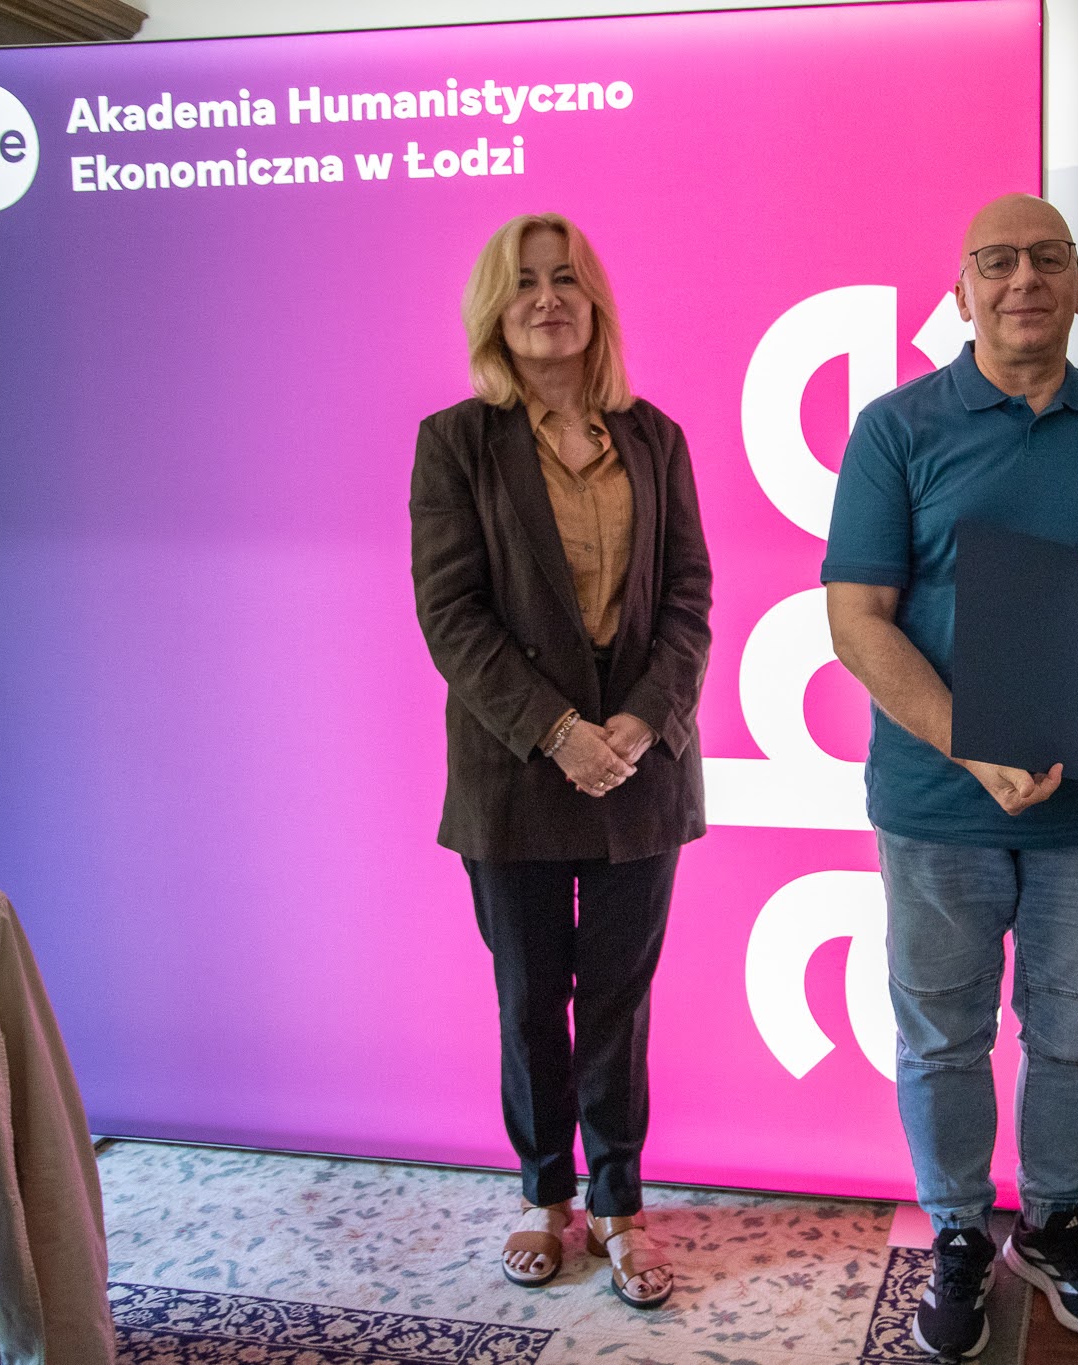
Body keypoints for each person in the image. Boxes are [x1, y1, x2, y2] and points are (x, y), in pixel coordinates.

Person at [823, 192, 1078, 1358]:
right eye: (996, 261)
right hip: (937, 802)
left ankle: (1052, 1222)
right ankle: (955, 1231)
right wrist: (965, 739)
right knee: (942, 1034)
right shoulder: (894, 428)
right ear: (962, 292)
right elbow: (856, 619)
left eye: (1046, 259)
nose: (1022, 278)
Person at [410, 212, 713, 1305]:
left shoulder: (654, 438)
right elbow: (451, 614)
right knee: (531, 996)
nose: (548, 298)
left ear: (595, 303)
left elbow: (688, 597)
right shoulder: (456, 442)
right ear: (495, 309)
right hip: (515, 771)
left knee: (619, 1001)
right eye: (525, 282)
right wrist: (557, 731)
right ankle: (546, 1196)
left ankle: (620, 1203)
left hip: (640, 767)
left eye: (567, 279)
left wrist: (638, 722)